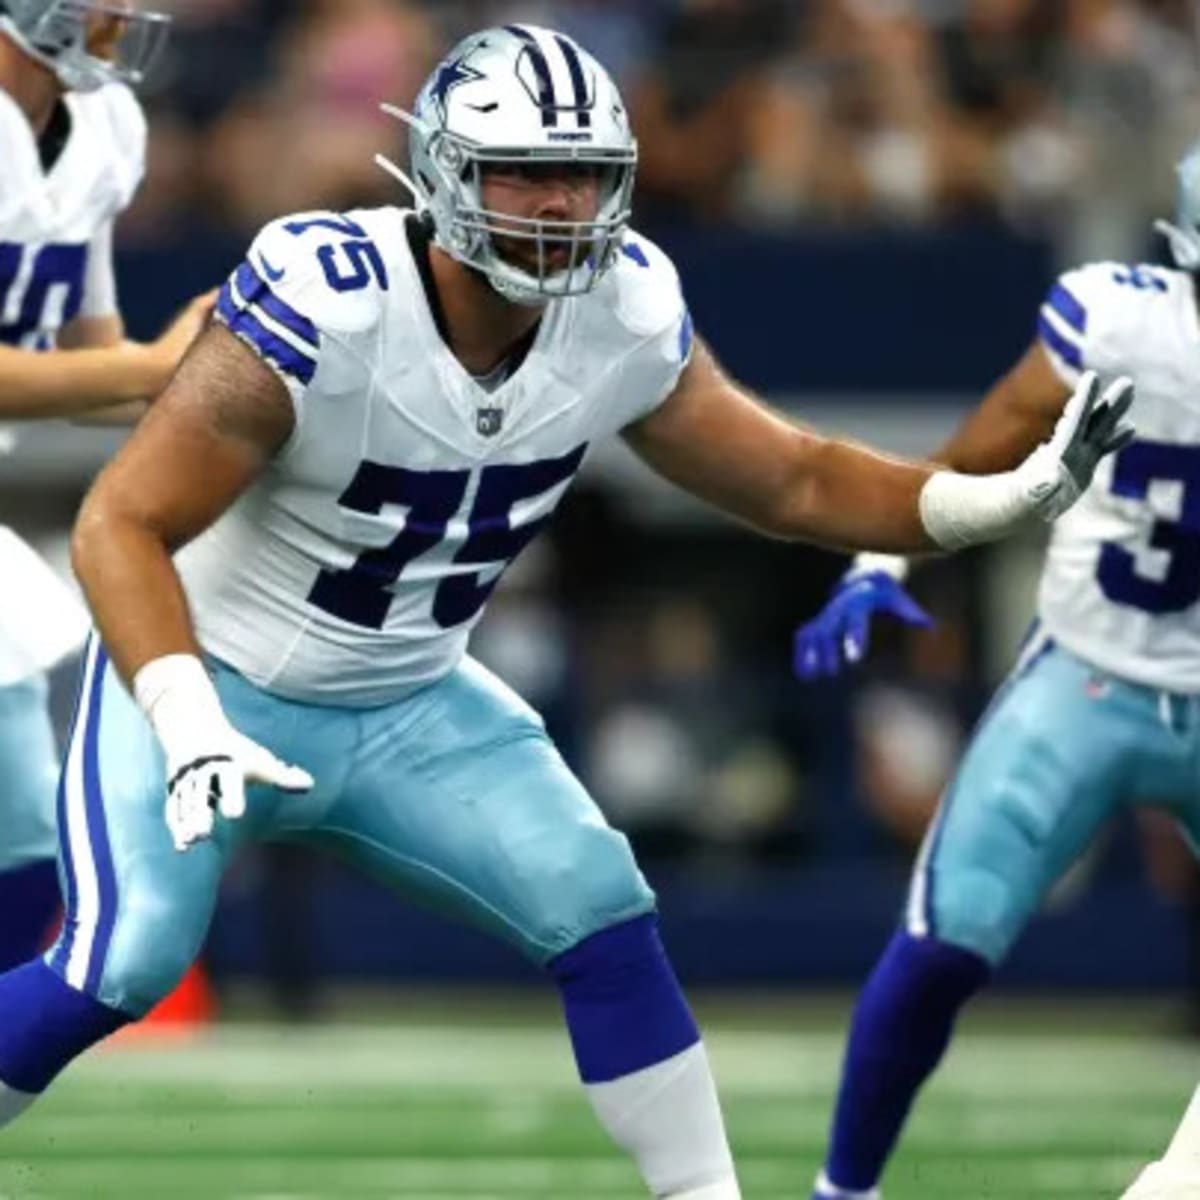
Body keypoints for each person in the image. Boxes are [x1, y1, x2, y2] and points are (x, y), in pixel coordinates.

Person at [0, 24, 1130, 1200]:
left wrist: (998, 497)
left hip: (407, 698)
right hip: (211, 681)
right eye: (527, 171)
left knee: (599, 903)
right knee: (119, 961)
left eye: (585, 172)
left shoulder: (623, 309)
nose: (563, 202)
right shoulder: (325, 300)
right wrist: (184, 719)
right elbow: (118, 524)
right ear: (442, 174)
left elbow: (794, 479)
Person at [794, 139, 1200, 1200]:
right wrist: (882, 549)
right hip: (1087, 680)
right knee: (943, 941)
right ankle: (843, 1192)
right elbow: (979, 453)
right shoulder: (1118, 326)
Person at [0, 0, 213, 973]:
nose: (116, 26)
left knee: (30, 848)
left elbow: (87, 365)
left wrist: (228, 382)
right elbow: (120, 371)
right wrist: (153, 369)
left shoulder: (104, 127)